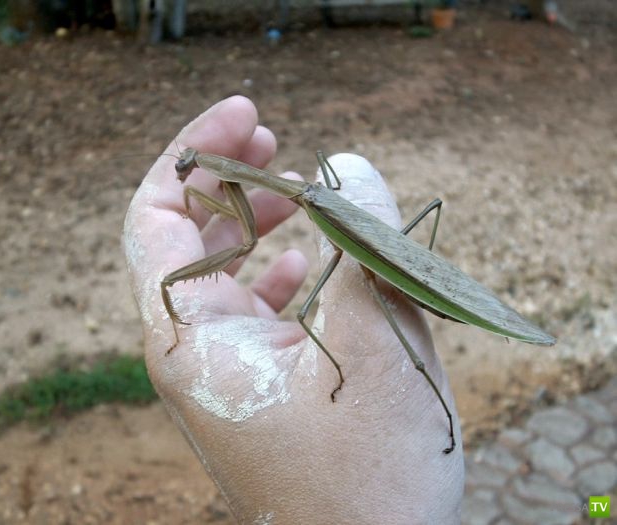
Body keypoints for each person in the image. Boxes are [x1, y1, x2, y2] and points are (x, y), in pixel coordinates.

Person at [123, 96, 464, 524]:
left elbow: (244, 240)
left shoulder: (288, 194)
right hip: (378, 252)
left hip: (398, 271)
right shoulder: (277, 188)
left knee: (318, 312)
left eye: (189, 165)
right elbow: (241, 230)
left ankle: (440, 408)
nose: (185, 172)